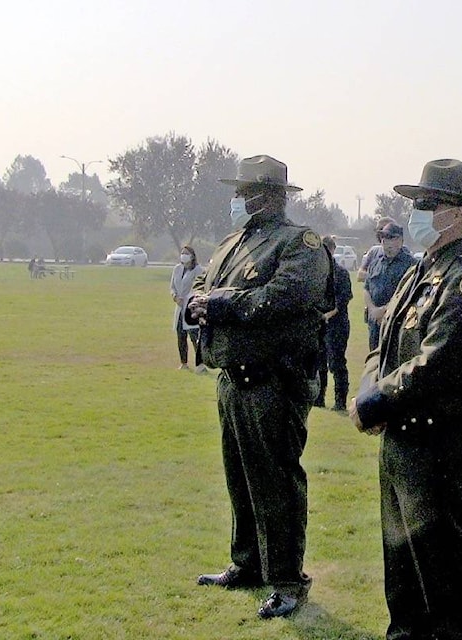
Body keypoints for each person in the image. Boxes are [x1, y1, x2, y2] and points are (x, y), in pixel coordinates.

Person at [351, 159, 462, 640]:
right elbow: (384, 341)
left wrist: (376, 402)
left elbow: (437, 365)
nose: (416, 212)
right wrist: (367, 390)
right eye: (414, 203)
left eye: (428, 204)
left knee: (444, 573)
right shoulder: (418, 274)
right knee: (401, 570)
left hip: (436, 447)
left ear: (459, 213)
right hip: (400, 443)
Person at [187, 155, 334, 620]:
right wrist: (197, 303)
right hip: (232, 382)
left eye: (242, 192)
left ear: (265, 195)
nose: (236, 200)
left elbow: (287, 297)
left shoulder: (299, 244)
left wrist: (222, 304)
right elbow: (206, 290)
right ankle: (246, 563)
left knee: (275, 483)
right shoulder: (232, 244)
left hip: (273, 383)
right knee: (240, 479)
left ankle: (287, 580)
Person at [363, 221, 416, 349]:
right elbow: (366, 288)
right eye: (383, 238)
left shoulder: (410, 264)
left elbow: (410, 294)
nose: (386, 242)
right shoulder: (376, 262)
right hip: (375, 323)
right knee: (373, 363)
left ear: (400, 240)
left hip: (396, 324)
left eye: (390, 237)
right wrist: (373, 310)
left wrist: (386, 310)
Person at [315, 234, 353, 411]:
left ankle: (340, 401)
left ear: (332, 250)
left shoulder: (341, 273)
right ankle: (319, 398)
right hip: (320, 324)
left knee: (336, 363)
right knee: (319, 362)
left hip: (337, 325)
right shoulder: (317, 272)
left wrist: (324, 316)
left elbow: (341, 303)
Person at [170, 245, 206, 373]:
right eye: (182, 253)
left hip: (191, 308)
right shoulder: (177, 269)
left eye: (186, 253)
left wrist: (189, 299)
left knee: (194, 336)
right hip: (179, 307)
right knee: (181, 335)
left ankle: (200, 364)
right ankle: (183, 363)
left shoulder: (198, 270)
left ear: (192, 256)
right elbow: (172, 286)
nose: (183, 255)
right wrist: (175, 296)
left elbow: (200, 288)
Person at [357, 216, 396, 282]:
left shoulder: (403, 253)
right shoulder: (374, 251)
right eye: (378, 231)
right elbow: (360, 275)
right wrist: (377, 277)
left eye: (382, 230)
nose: (379, 234)